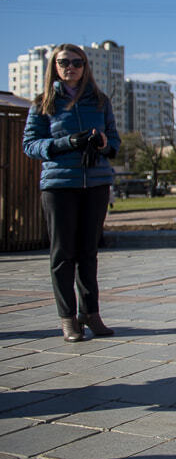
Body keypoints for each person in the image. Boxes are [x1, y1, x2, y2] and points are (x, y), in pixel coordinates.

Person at [22, 44, 121, 343]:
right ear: (54, 66)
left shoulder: (100, 101)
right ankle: (68, 319)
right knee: (63, 254)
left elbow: (114, 140)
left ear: (85, 66)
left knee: (88, 252)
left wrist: (102, 143)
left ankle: (90, 313)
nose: (71, 67)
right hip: (59, 185)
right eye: (64, 62)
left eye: (77, 62)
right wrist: (66, 142)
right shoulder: (43, 103)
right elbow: (30, 145)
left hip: (96, 183)